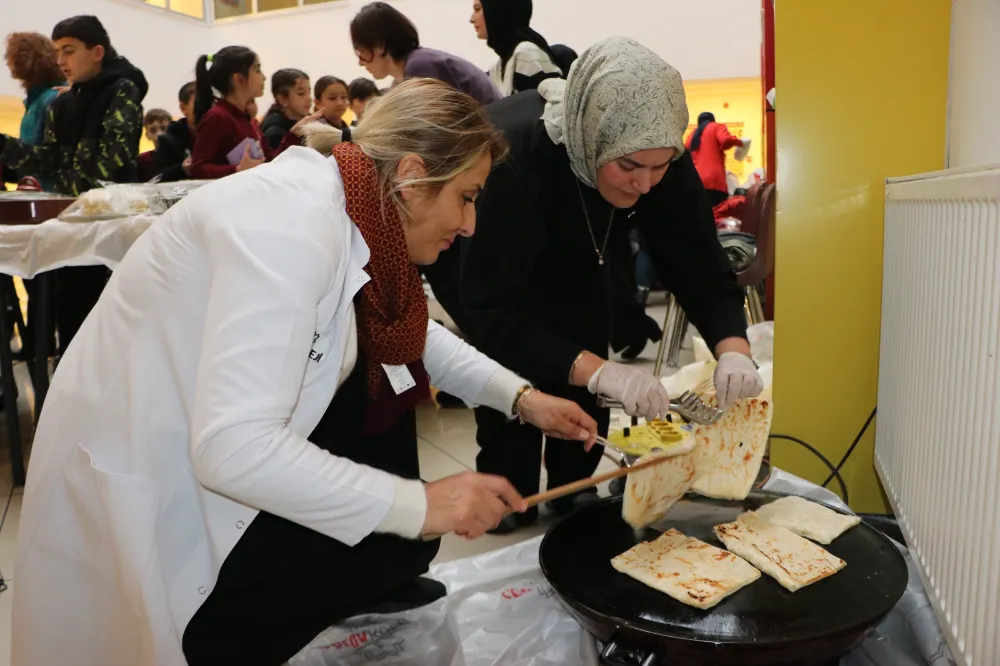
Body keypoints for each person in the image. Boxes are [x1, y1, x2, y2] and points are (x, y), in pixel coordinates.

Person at [11, 77, 598, 666]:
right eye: (467, 197)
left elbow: (414, 339)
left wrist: (521, 399)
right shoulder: (291, 227)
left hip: (191, 443)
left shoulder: (359, 214)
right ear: (413, 177)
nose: (470, 224)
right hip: (144, 454)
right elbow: (233, 448)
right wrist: (424, 504)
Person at [460, 37, 764, 532]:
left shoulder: (659, 151)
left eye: (658, 167)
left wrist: (733, 347)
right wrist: (602, 372)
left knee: (583, 398)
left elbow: (699, 264)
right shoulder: (511, 156)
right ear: (592, 137)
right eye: (627, 166)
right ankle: (512, 498)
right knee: (512, 409)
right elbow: (491, 310)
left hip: (585, 266)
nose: (644, 185)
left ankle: (572, 492)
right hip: (500, 281)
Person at [0, 15, 148, 355]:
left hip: (113, 231)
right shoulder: (61, 104)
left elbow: (113, 158)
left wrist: (71, 192)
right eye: (57, 52)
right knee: (72, 324)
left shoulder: (122, 92)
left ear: (97, 52)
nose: (60, 61)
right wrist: (6, 147)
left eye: (69, 51)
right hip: (74, 229)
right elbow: (48, 160)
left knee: (110, 325)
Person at [350, 1, 502, 106]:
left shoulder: (419, 67)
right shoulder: (418, 64)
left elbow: (441, 130)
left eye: (361, 51)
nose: (360, 62)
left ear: (380, 45)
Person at [189, 46, 305, 180]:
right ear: (239, 79)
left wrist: (294, 134)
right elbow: (197, 169)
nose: (264, 77)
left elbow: (270, 161)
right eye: (257, 70)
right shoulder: (218, 117)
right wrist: (237, 170)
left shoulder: (248, 119)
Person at [2, 32, 64, 189]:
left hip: (47, 199)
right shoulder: (38, 101)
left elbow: (50, 160)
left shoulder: (50, 99)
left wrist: (3, 145)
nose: (7, 62)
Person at [470, 0, 565, 96]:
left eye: (477, 9)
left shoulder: (526, 54)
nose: (471, 19)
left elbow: (534, 109)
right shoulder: (498, 67)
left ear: (497, 11)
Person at [686, 111, 749, 207]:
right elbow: (725, 140)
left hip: (694, 183)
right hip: (714, 183)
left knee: (700, 216)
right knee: (715, 214)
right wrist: (740, 142)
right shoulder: (716, 127)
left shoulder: (691, 136)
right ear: (712, 120)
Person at [154, 81, 197, 182]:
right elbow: (159, 177)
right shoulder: (168, 140)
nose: (205, 108)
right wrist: (181, 168)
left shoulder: (218, 131)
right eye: (198, 103)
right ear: (183, 108)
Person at [260, 67, 311, 150]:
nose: (309, 98)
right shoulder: (274, 132)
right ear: (283, 99)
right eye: (301, 93)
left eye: (309, 92)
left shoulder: (310, 121)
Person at [137, 107, 171, 181]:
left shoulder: (180, 158)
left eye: (163, 128)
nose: (159, 134)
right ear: (147, 135)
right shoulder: (141, 161)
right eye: (153, 130)